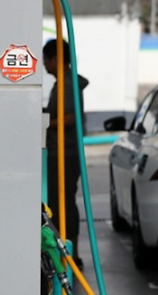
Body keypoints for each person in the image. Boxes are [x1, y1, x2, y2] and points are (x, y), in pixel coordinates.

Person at [42, 39, 89, 269]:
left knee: (63, 203)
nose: (43, 64)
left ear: (55, 58)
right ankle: (67, 252)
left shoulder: (67, 85)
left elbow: (69, 119)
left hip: (64, 153)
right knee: (61, 202)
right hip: (63, 152)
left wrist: (44, 122)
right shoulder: (63, 83)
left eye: (46, 59)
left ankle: (70, 254)